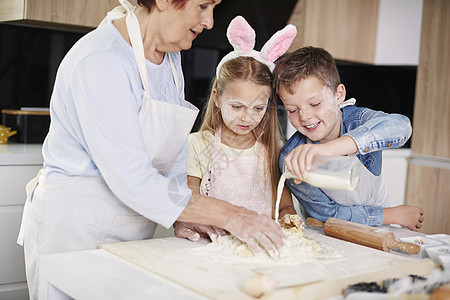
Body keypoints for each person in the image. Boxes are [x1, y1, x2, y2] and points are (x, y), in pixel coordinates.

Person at [16, 2, 286, 299]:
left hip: (134, 235)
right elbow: (132, 179)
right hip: (76, 232)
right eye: (203, 6)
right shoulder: (101, 60)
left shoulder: (170, 61)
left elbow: (173, 152)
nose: (209, 21)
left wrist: (185, 214)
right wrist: (231, 215)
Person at [174, 16, 299, 242]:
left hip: (261, 248)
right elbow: (189, 200)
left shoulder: (272, 148)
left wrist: (288, 217)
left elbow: (284, 205)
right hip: (211, 247)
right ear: (217, 98)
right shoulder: (198, 144)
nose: (247, 117)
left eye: (258, 108)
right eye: (237, 106)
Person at [273, 46, 424, 231]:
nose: (304, 117)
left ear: (339, 95)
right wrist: (395, 214)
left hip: (382, 227)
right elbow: (328, 214)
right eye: (293, 110)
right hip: (335, 233)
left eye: (315, 104)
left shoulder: (358, 121)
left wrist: (326, 150)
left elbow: (401, 127)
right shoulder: (293, 158)